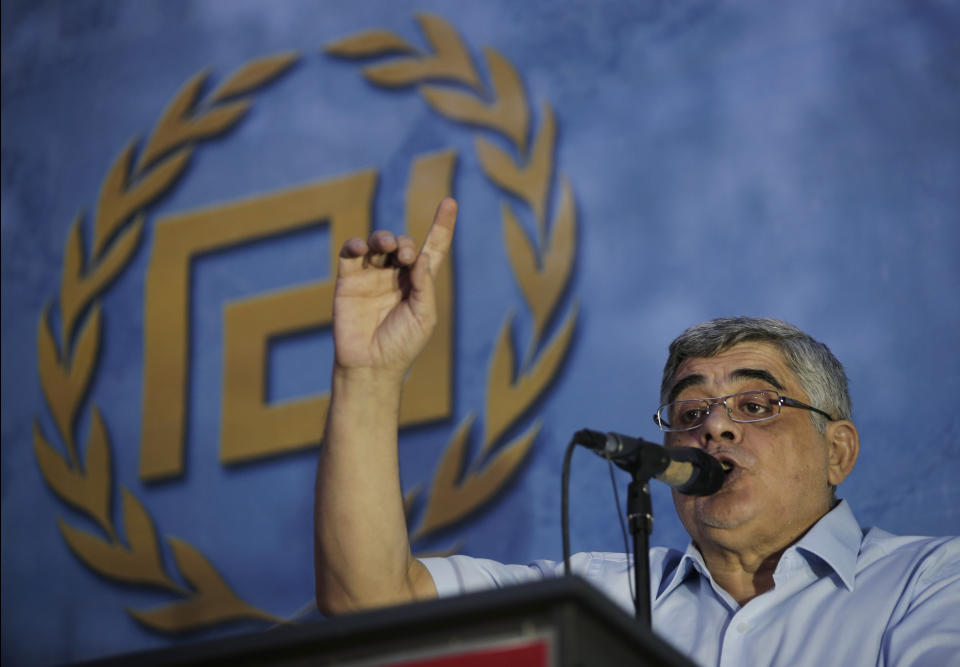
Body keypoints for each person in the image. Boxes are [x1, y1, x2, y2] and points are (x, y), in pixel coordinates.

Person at [314, 199, 959, 665]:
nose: (717, 428)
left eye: (756, 404)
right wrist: (368, 377)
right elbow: (370, 598)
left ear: (837, 450)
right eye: (691, 413)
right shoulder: (598, 600)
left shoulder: (928, 583)